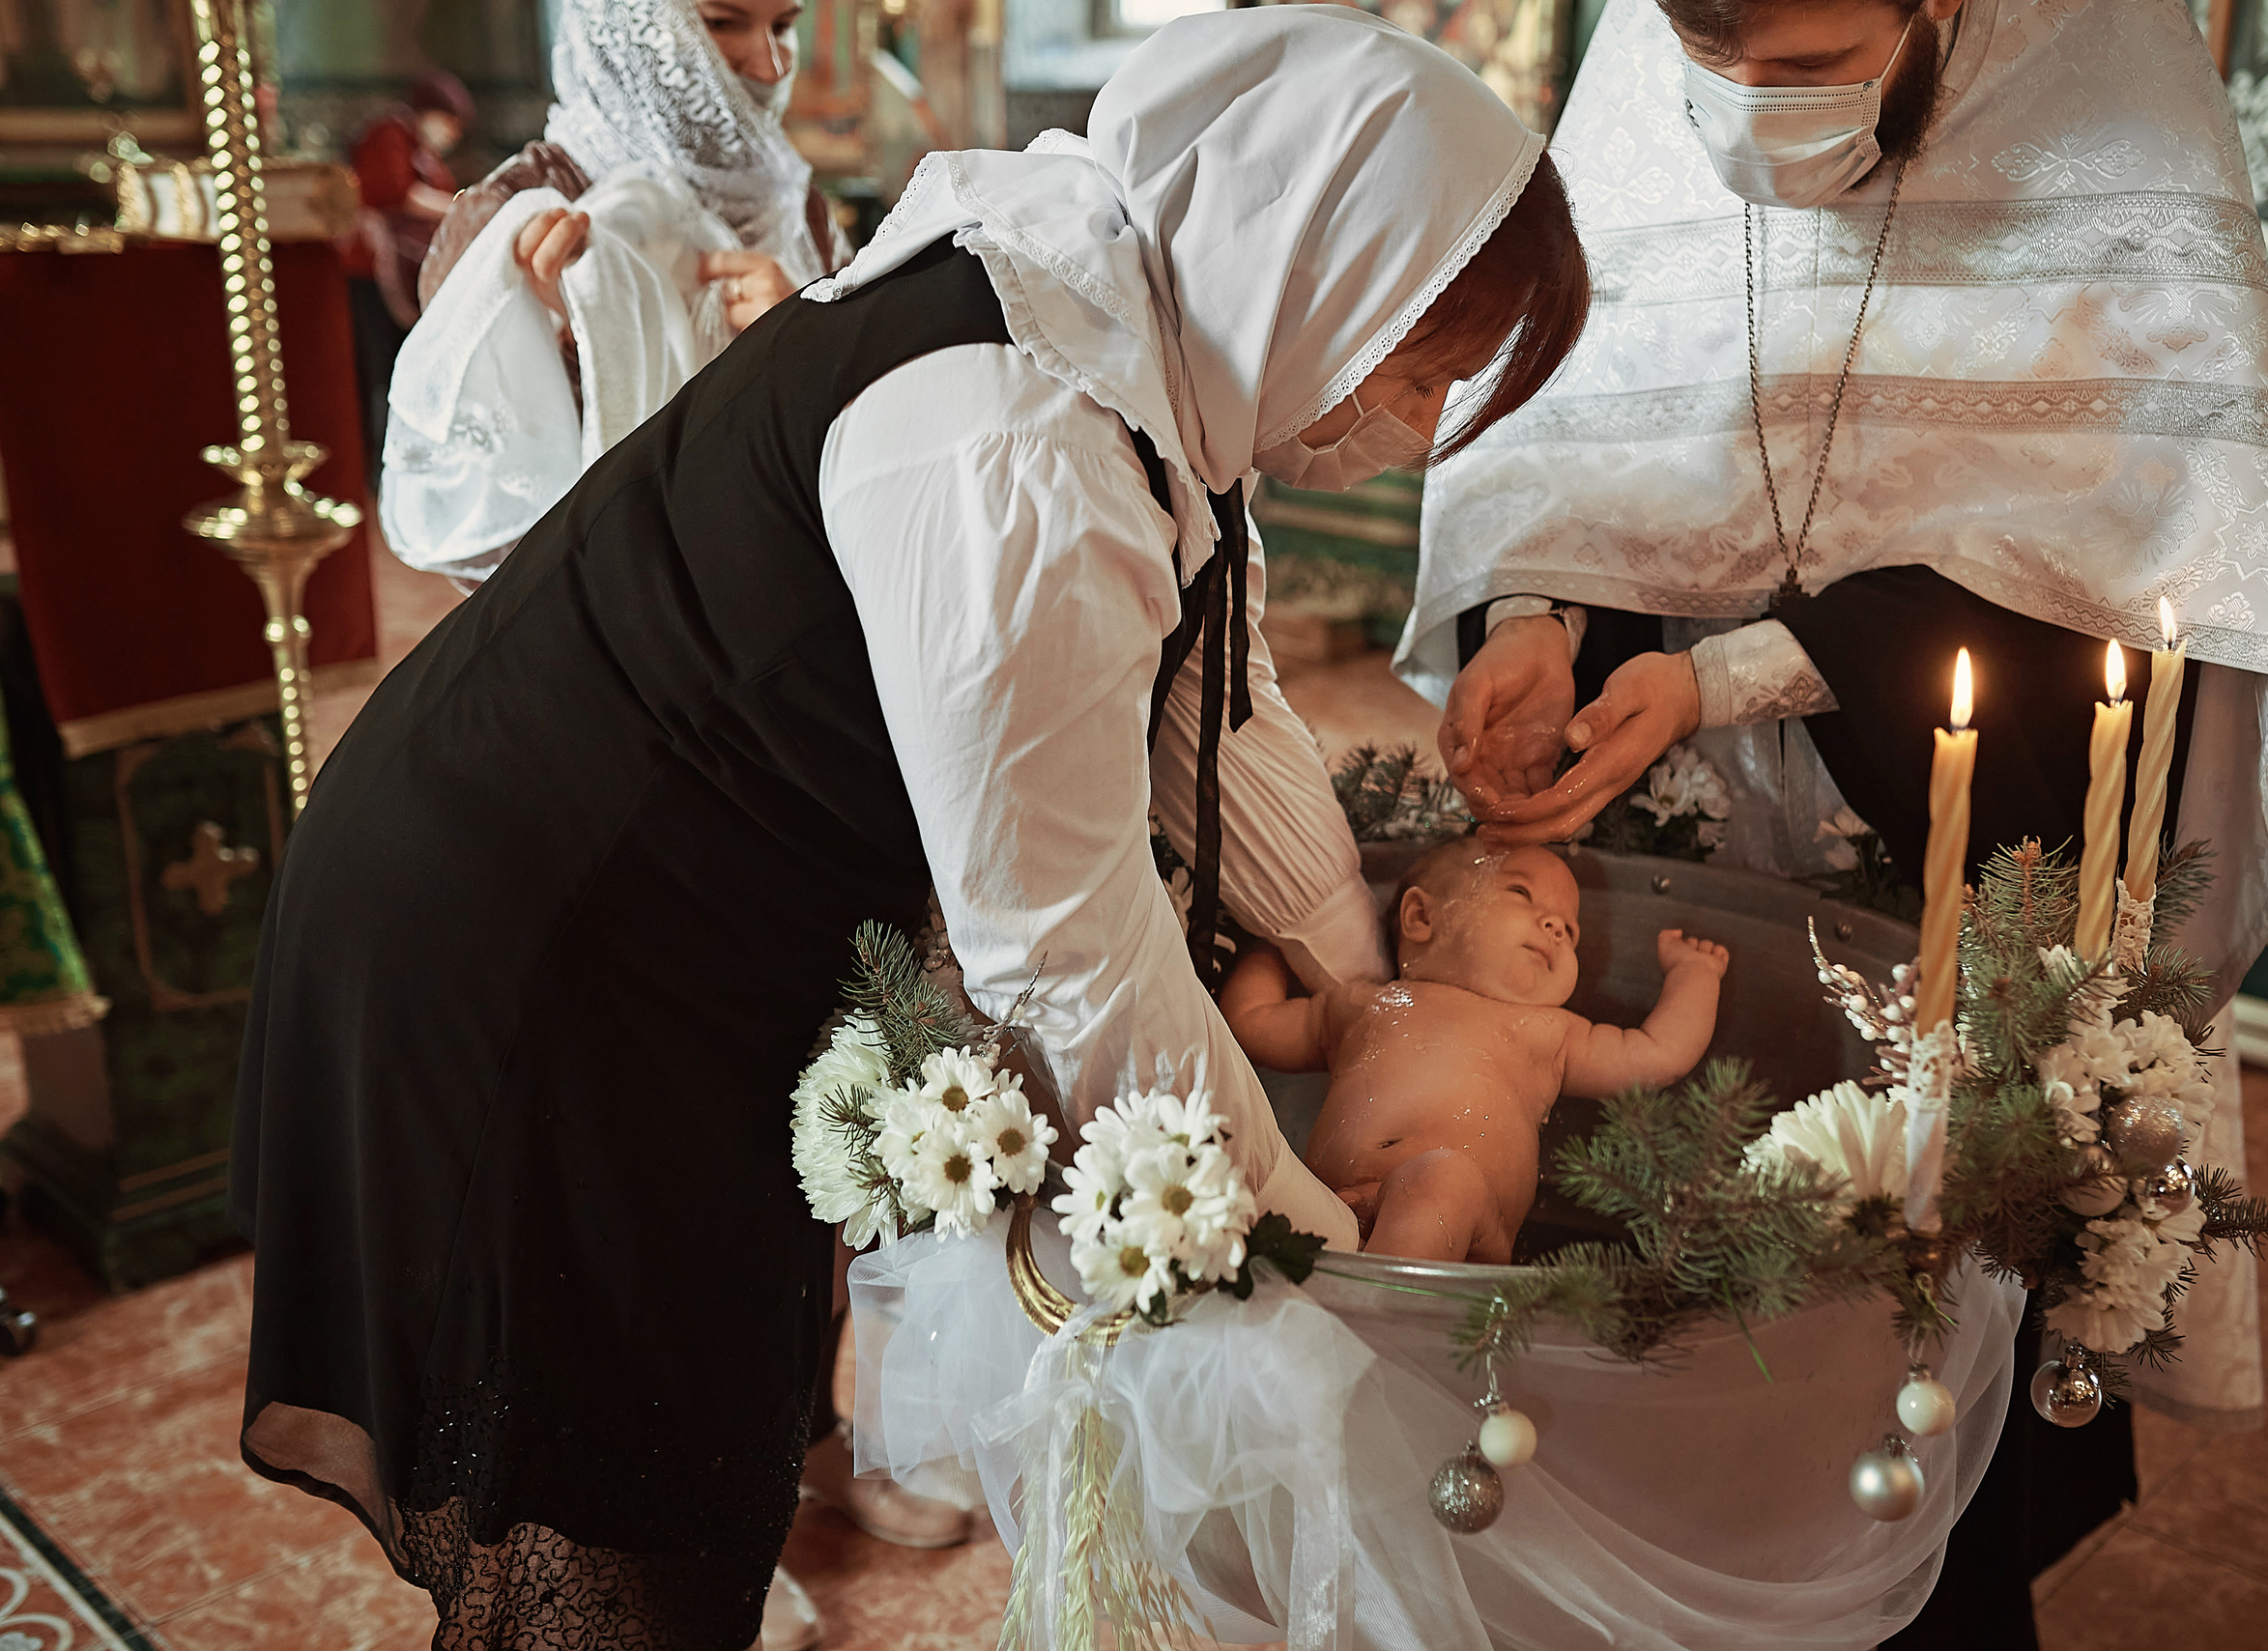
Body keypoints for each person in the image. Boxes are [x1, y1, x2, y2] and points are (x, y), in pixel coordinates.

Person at [230, 9, 1590, 1648]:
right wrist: (1316, 1258)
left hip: (647, 918)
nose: (1422, 428)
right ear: (1321, 260)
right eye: (1430, 369)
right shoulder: (1019, 433)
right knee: (615, 1517)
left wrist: (1381, 1002)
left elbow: (1210, 720)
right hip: (541, 947)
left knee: (697, 1438)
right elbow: (1063, 941)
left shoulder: (1109, 322)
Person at [1403, 0, 2268, 1639]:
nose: (1757, 105)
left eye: (1811, 59)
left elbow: (2130, 569)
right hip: (1689, 849)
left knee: (1899, 1371)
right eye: (1721, 54)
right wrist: (1542, 611)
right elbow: (1582, 408)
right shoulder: (1640, 74)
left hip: (1960, 857)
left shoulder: (2111, 103)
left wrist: (1724, 679)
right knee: (1650, 1345)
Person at [380, 0, 854, 587]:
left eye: (784, 26)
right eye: (723, 24)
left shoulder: (793, 199)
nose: (772, 66)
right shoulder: (517, 214)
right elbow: (487, 524)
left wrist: (806, 334)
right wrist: (575, 332)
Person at [1222, 839, 1728, 1262]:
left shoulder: (1551, 1033)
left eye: (1569, 929)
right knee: (1250, 1172)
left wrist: (1694, 977)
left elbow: (1658, 1053)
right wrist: (1270, 939)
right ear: (1422, 917)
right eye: (1522, 894)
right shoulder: (1360, 1005)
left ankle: (1371, 1330)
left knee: (1444, 1179)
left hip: (1463, 1237)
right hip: (1330, 1210)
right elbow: (1251, 1025)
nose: (1555, 926)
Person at [340, 71, 472, 475]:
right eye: (450, 123)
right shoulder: (390, 136)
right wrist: (461, 206)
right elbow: (394, 193)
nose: (451, 134)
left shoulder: (421, 150)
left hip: (409, 277)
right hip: (371, 275)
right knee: (381, 372)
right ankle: (382, 469)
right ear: (432, 112)